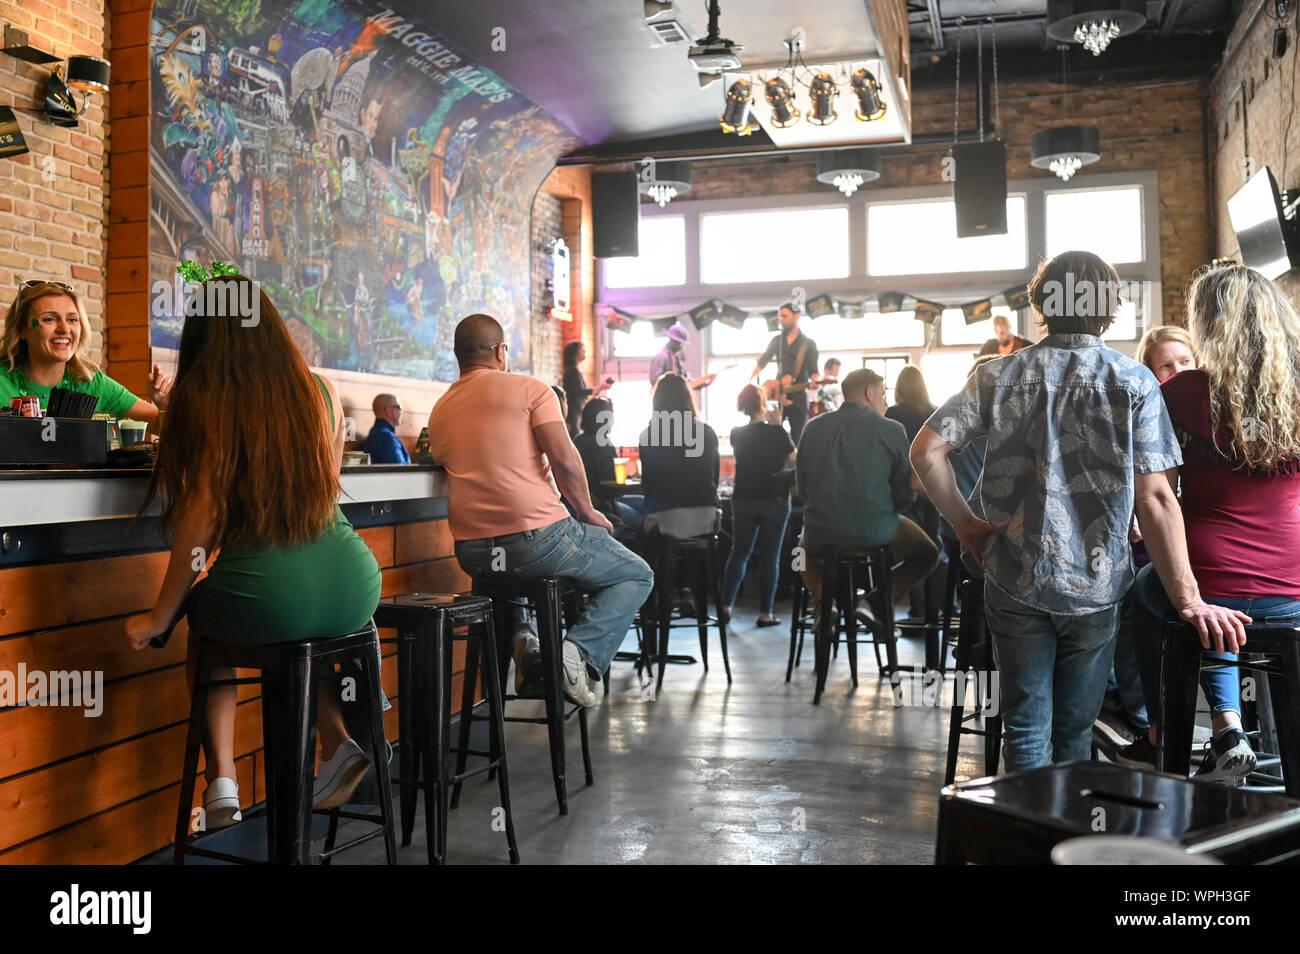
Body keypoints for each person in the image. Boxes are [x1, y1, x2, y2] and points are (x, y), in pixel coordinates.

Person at [910, 250, 1248, 774]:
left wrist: (966, 526)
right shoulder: (1134, 382)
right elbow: (1156, 499)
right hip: (1095, 586)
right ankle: (1066, 839)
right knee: (1074, 731)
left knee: (1023, 727)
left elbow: (926, 452)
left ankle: (1027, 839)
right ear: (1109, 308)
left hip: (1013, 576)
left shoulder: (997, 376)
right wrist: (1188, 598)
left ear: (1041, 304)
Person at [125, 276, 382, 825]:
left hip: (270, 596)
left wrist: (159, 615)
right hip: (355, 586)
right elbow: (324, 486)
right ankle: (336, 744)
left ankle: (221, 784)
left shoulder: (204, 401)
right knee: (300, 632)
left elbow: (204, 516)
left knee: (208, 629)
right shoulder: (321, 390)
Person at [1123, 265, 1300, 783]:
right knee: (1197, 604)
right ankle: (1241, 733)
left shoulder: (1182, 393)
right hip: (1291, 586)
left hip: (1210, 576)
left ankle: (1176, 731)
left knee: (1149, 593)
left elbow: (1158, 494)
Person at [429, 314, 652, 708]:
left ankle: (526, 646)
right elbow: (565, 460)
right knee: (636, 573)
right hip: (536, 538)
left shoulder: (441, 408)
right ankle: (573, 655)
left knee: (509, 579)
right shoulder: (530, 389)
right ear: (501, 352)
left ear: (456, 355)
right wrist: (587, 512)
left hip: (474, 553)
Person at [1098, 325, 1199, 749]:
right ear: (1149, 372)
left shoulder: (1208, 414)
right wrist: (1134, 518)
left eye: (1185, 362)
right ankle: (1138, 714)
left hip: (1200, 543)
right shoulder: (1137, 410)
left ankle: (1165, 719)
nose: (1177, 372)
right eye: (1165, 366)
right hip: (1143, 538)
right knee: (1131, 594)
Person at [797, 368, 938, 632]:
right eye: (883, 395)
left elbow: (802, 489)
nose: (885, 402)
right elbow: (904, 491)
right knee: (928, 554)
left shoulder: (812, 427)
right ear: (869, 393)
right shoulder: (891, 429)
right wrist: (889, 509)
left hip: (821, 529)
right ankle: (876, 602)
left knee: (798, 553)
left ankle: (823, 604)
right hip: (875, 527)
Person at [1, 279, 171, 426]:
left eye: (72, 319)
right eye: (49, 319)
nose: (65, 328)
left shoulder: (91, 382)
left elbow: (159, 425)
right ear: (22, 329)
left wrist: (164, 404)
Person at [722, 384, 794, 628]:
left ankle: (726, 606)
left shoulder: (736, 433)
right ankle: (765, 613)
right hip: (774, 499)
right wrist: (777, 425)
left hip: (743, 498)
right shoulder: (778, 433)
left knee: (739, 553)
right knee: (770, 557)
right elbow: (792, 459)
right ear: (763, 403)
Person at [886, 365, 938, 621]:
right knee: (935, 546)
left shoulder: (891, 415)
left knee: (913, 551)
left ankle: (918, 610)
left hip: (902, 489)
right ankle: (937, 607)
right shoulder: (934, 412)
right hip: (933, 486)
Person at [573, 396, 643, 541]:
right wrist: (630, 482)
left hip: (581, 506)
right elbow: (608, 486)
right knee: (642, 516)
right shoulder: (603, 443)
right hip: (602, 506)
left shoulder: (578, 440)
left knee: (641, 502)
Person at [750, 302, 820, 443]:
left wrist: (816, 382)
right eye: (780, 316)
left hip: (798, 394)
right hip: (776, 393)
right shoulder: (777, 340)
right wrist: (751, 381)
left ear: (797, 316)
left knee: (799, 434)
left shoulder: (808, 343)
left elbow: (814, 370)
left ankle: (797, 462)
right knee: (772, 431)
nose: (781, 319)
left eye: (784, 316)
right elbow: (763, 361)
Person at [561, 340, 609, 437]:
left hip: (576, 412)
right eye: (582, 350)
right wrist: (600, 387)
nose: (585, 353)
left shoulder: (574, 371)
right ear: (574, 353)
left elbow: (581, 394)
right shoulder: (572, 371)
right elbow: (579, 392)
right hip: (573, 413)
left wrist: (600, 388)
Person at [360, 393, 411, 464]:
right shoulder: (387, 438)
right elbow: (400, 472)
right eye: (399, 407)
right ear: (389, 412)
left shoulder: (374, 433)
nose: (401, 412)